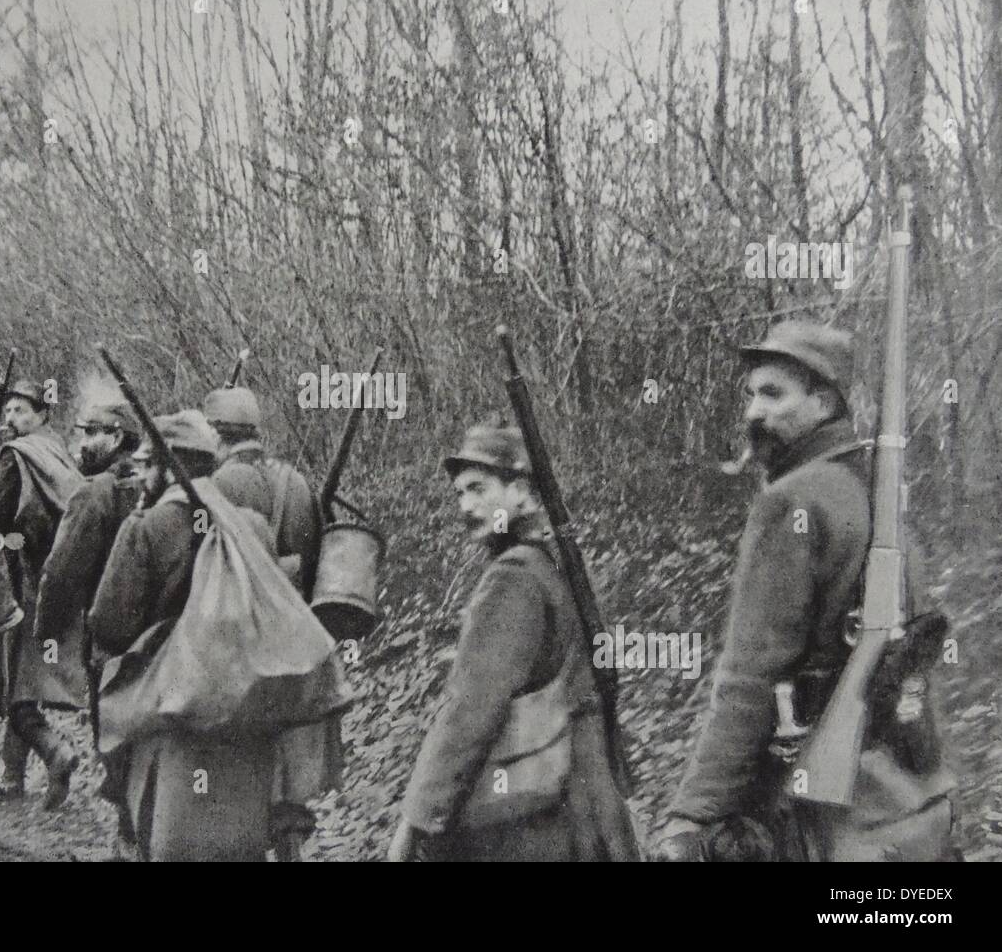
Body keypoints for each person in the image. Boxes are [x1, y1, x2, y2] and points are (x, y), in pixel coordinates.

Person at [654, 321, 958, 862]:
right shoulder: (875, 489)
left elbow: (750, 676)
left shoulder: (792, 500)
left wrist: (692, 815)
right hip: (904, 792)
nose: (753, 412)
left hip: (822, 802)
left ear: (823, 401)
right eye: (751, 395)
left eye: (774, 393)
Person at [388, 423, 640, 862]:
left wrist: (416, 820)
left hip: (532, 825)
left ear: (521, 492)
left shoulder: (512, 578)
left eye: (478, 489)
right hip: (586, 812)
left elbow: (471, 710)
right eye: (460, 494)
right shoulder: (555, 565)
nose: (466, 506)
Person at [89, 410, 279, 861]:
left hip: (169, 707)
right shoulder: (251, 525)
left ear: (168, 467)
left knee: (167, 828)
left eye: (148, 466)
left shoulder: (147, 527)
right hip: (241, 706)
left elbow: (111, 624)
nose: (141, 476)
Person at [205, 384, 337, 861]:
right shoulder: (297, 482)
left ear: (216, 434)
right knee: (284, 756)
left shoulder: (217, 486)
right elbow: (318, 560)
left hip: (243, 643)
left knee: (244, 763)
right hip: (296, 639)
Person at [37, 400, 149, 855]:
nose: (83, 444)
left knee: (115, 737)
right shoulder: (157, 485)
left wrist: (46, 626)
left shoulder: (95, 493)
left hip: (110, 637)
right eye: (81, 434)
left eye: (93, 433)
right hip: (166, 637)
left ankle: (129, 838)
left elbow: (61, 573)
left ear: (119, 438)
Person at [0, 379, 85, 809]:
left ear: (43, 415)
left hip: (18, 579)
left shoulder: (15, 455)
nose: (10, 419)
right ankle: (12, 776)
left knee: (5, 688)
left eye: (21, 411)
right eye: (8, 411)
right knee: (22, 681)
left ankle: (54, 752)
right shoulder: (58, 450)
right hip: (55, 580)